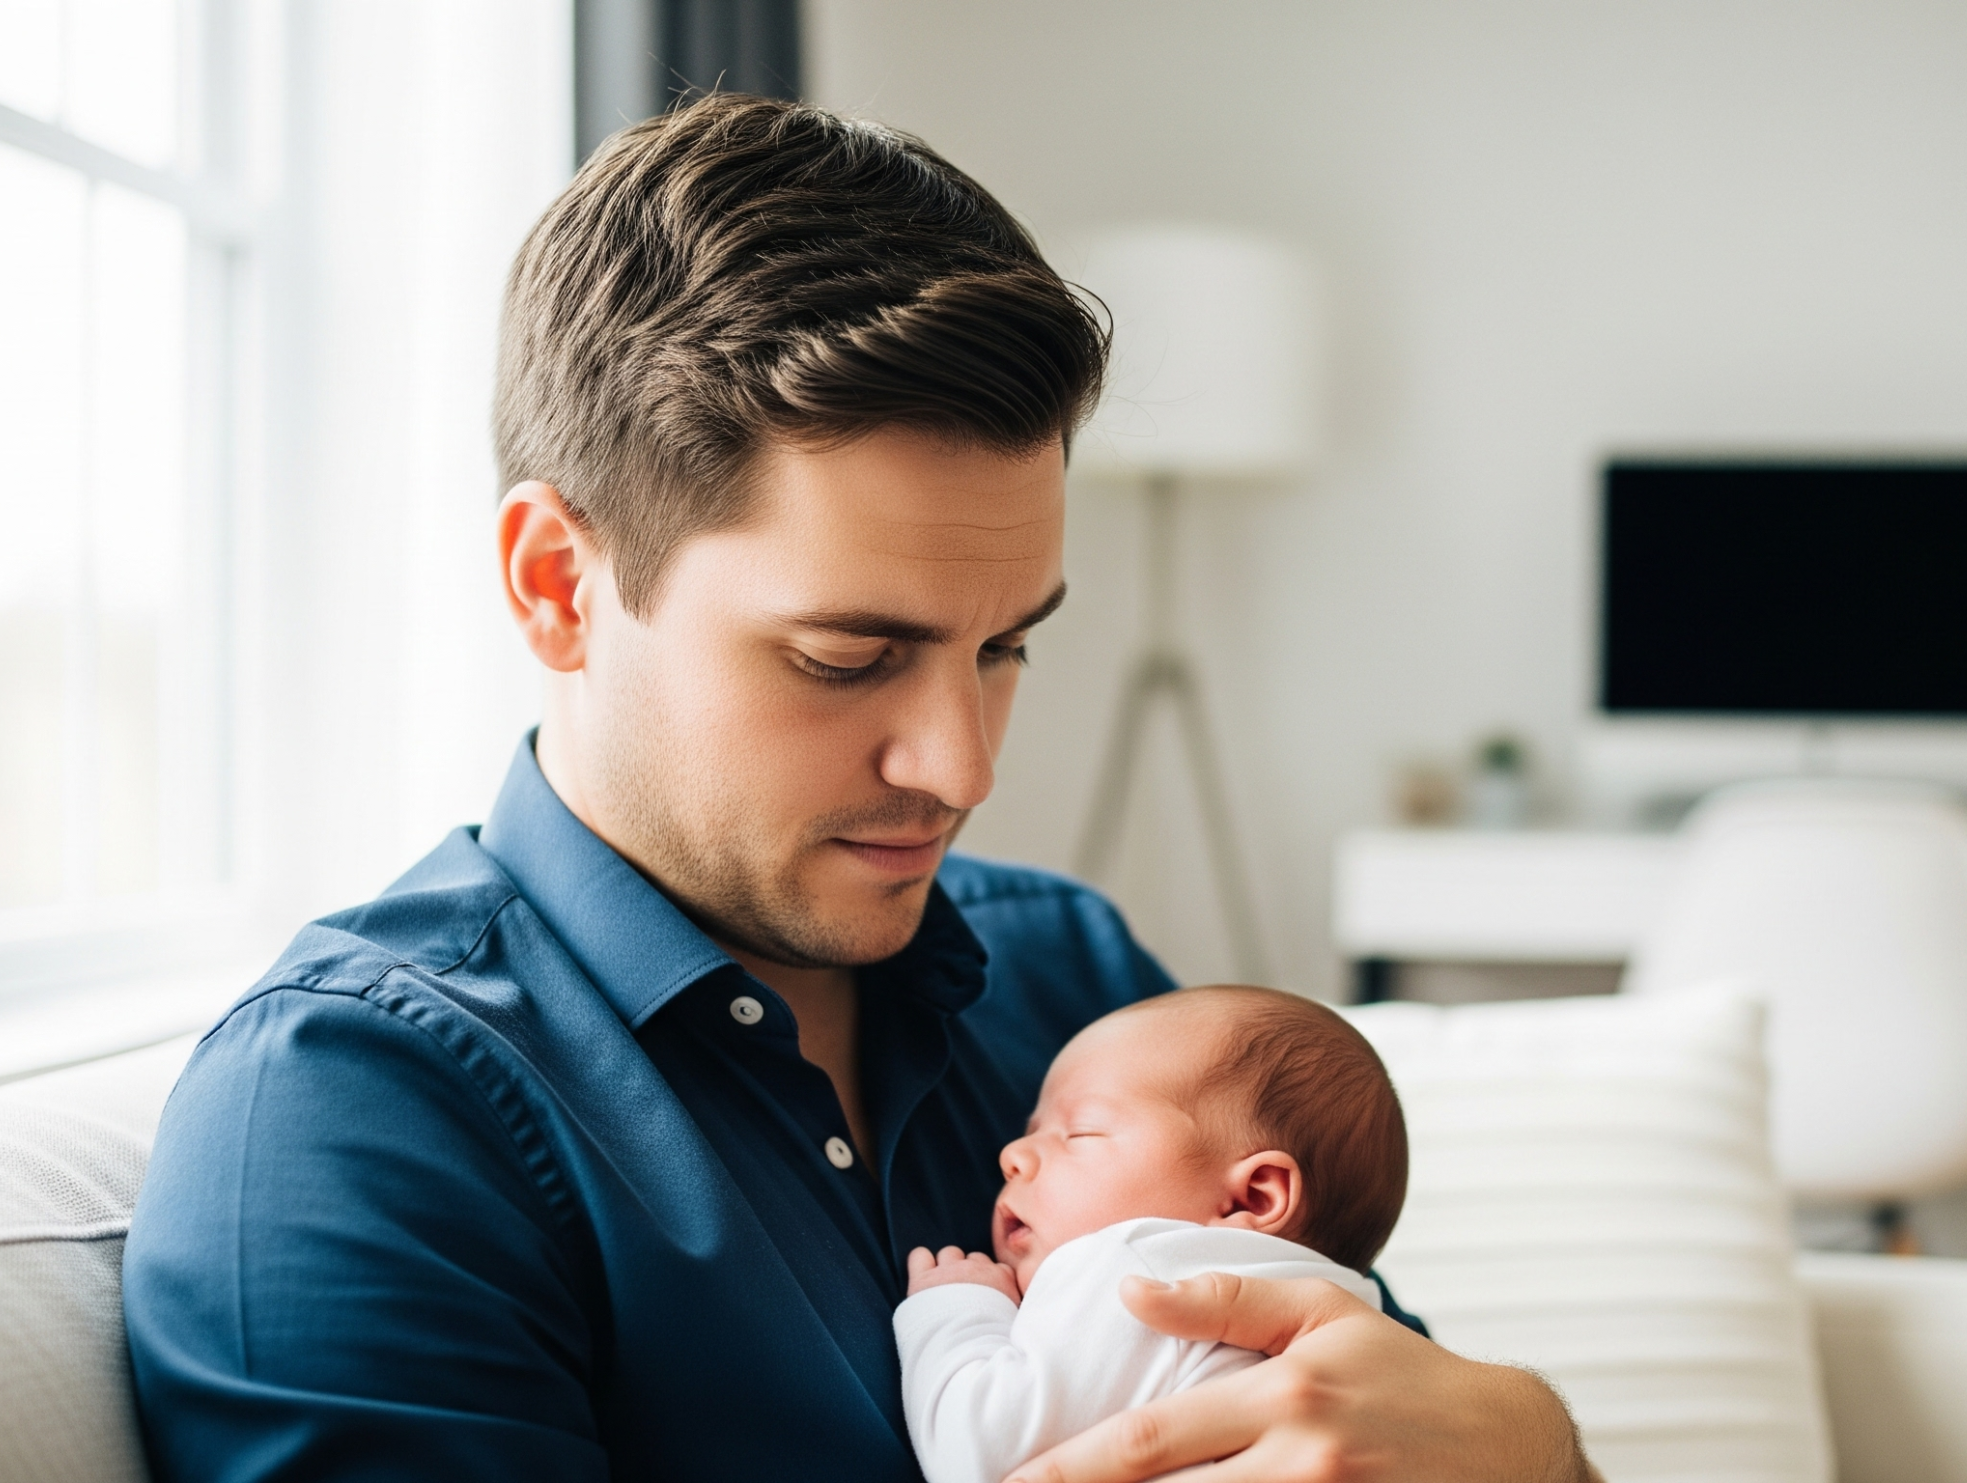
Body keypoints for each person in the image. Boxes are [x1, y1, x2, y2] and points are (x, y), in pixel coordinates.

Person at [122, 92, 1596, 1482]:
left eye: (1007, 643)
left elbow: (1367, 1412)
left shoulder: (1076, 977)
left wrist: (1540, 1447)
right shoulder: (353, 1114)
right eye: (845, 654)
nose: (963, 765)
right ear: (559, 584)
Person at [897, 987, 1410, 1483]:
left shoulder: (1138, 1267)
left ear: (1251, 1198)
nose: (1014, 1154)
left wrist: (958, 1308)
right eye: (1033, 1129)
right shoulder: (1371, 1335)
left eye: (1081, 1132)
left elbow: (977, 1456)